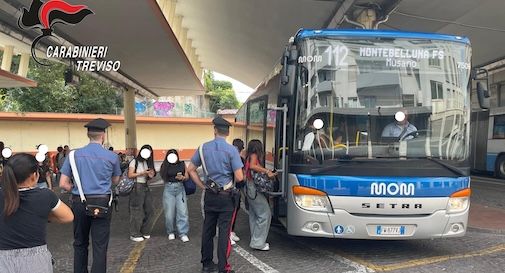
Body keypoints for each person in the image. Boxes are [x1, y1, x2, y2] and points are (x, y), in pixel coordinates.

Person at [59, 118, 122, 273]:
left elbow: (63, 184)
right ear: (103, 136)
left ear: (88, 135)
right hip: (102, 202)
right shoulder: (112, 157)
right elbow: (115, 180)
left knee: (80, 242)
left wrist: (77, 188)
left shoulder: (73, 156)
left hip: (79, 202)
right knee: (100, 245)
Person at [187, 116, 244, 273]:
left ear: (214, 130)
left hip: (210, 195)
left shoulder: (202, 148)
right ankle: (223, 268)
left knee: (208, 230)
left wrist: (202, 185)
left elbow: (190, 169)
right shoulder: (232, 150)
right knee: (224, 232)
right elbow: (239, 177)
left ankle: (206, 264)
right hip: (226, 196)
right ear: (227, 133)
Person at [0, 153, 73, 273]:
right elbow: (68, 217)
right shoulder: (45, 195)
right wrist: (43, 216)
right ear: (34, 175)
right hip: (35, 260)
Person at [244, 139, 275, 251]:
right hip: (254, 188)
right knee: (265, 214)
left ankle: (255, 238)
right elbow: (253, 166)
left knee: (254, 214)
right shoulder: (254, 156)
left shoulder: (248, 155)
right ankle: (258, 243)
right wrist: (267, 171)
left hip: (248, 186)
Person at [160, 149, 190, 242]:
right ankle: (171, 232)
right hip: (169, 188)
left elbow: (187, 176)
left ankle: (183, 233)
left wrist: (183, 178)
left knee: (183, 212)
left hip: (180, 188)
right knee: (169, 213)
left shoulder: (182, 164)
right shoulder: (164, 165)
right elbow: (163, 176)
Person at [128, 144, 156, 242]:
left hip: (145, 186)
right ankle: (134, 233)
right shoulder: (134, 161)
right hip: (137, 186)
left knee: (150, 210)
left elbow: (151, 177)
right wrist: (141, 173)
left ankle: (144, 230)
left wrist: (151, 175)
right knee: (136, 210)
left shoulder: (148, 163)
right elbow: (130, 175)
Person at [230, 138, 246, 245]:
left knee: (235, 210)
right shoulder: (235, 158)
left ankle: (231, 231)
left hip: (235, 188)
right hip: (231, 188)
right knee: (231, 212)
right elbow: (241, 176)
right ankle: (228, 234)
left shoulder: (239, 158)